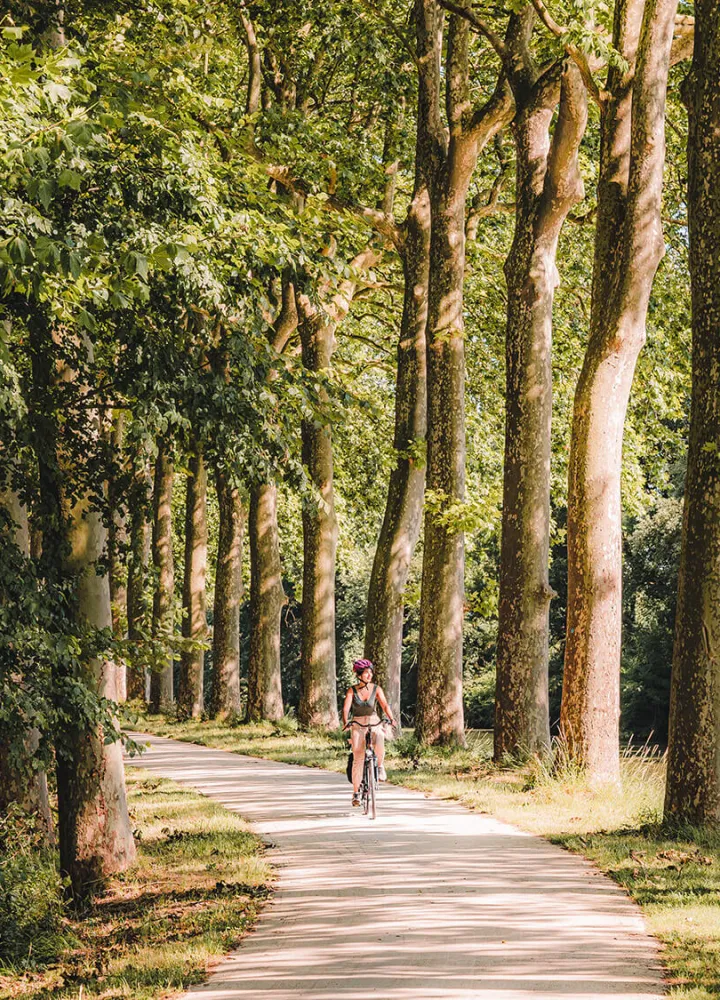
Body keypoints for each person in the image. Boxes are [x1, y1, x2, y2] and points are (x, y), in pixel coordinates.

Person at [342, 658, 395, 807]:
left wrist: (392, 718)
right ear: (359, 675)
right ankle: (356, 793)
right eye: (366, 673)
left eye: (370, 672)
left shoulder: (376, 689)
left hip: (374, 721)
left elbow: (384, 705)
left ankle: (379, 766)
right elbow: (346, 708)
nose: (369, 675)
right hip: (358, 723)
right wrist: (346, 721)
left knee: (379, 738)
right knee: (358, 757)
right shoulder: (352, 690)